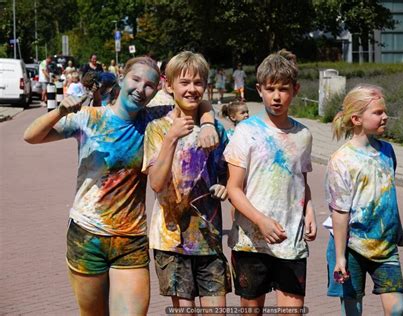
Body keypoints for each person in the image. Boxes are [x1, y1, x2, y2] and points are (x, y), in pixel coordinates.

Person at [23, 56, 219, 316]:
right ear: (121, 78)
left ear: (157, 90)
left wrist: (207, 122)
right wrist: (60, 111)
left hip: (131, 239)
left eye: (149, 85)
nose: (140, 89)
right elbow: (31, 136)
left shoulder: (153, 117)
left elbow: (197, 96)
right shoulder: (90, 118)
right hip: (87, 235)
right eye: (135, 79)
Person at [224, 49, 317, 313]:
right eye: (270, 88)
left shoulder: (304, 135)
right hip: (251, 240)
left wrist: (308, 209)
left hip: (291, 239)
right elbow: (233, 188)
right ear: (259, 90)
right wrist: (260, 220)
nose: (277, 96)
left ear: (295, 90)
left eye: (284, 89)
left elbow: (302, 180)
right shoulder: (246, 132)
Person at [143, 51, 231, 311]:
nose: (192, 89)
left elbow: (226, 171)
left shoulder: (216, 129)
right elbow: (157, 184)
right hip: (171, 241)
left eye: (198, 82)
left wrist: (224, 184)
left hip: (209, 237)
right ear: (169, 85)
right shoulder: (157, 128)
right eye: (184, 82)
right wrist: (171, 138)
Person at [323, 84, 403, 316]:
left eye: (384, 111)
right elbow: (339, 213)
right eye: (378, 113)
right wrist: (340, 257)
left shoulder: (388, 151)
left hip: (385, 246)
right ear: (356, 119)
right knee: (353, 311)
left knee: (397, 308)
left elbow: (388, 193)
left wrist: (398, 227)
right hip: (351, 248)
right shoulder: (341, 160)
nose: (385, 116)